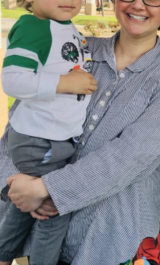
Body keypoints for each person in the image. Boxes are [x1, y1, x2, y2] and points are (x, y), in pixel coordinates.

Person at [0, 0, 160, 264]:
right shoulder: (76, 49)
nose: (138, 5)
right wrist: (16, 185)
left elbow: (131, 156)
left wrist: (48, 189)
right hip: (40, 233)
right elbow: (22, 120)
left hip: (112, 238)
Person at [0, 0, 96, 264]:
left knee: (28, 204)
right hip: (39, 139)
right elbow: (13, 79)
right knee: (54, 208)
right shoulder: (35, 27)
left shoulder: (63, 26)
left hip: (51, 137)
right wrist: (65, 83)